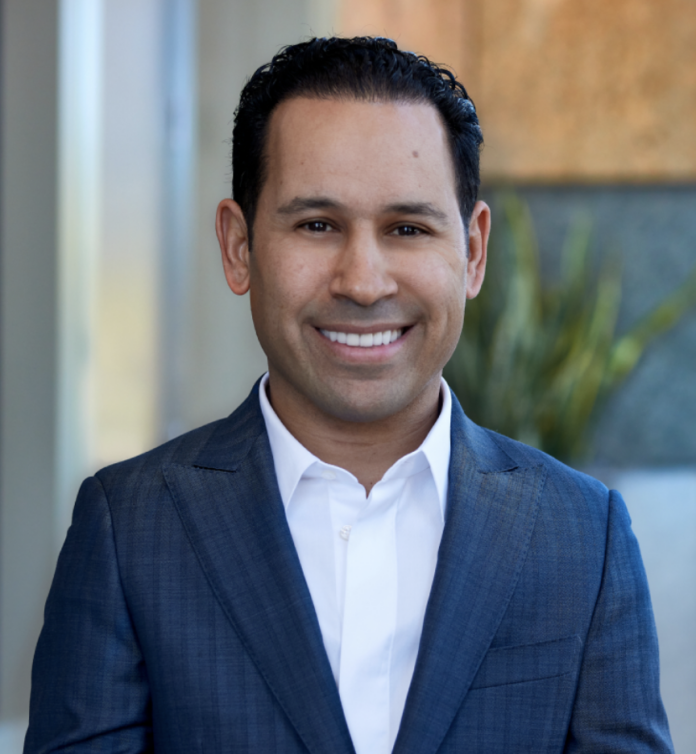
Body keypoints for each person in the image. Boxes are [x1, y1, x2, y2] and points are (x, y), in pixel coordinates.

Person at [25, 37, 673, 754]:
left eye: (407, 228)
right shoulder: (130, 529)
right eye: (317, 225)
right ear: (239, 247)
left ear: (473, 252)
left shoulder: (583, 536)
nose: (363, 282)